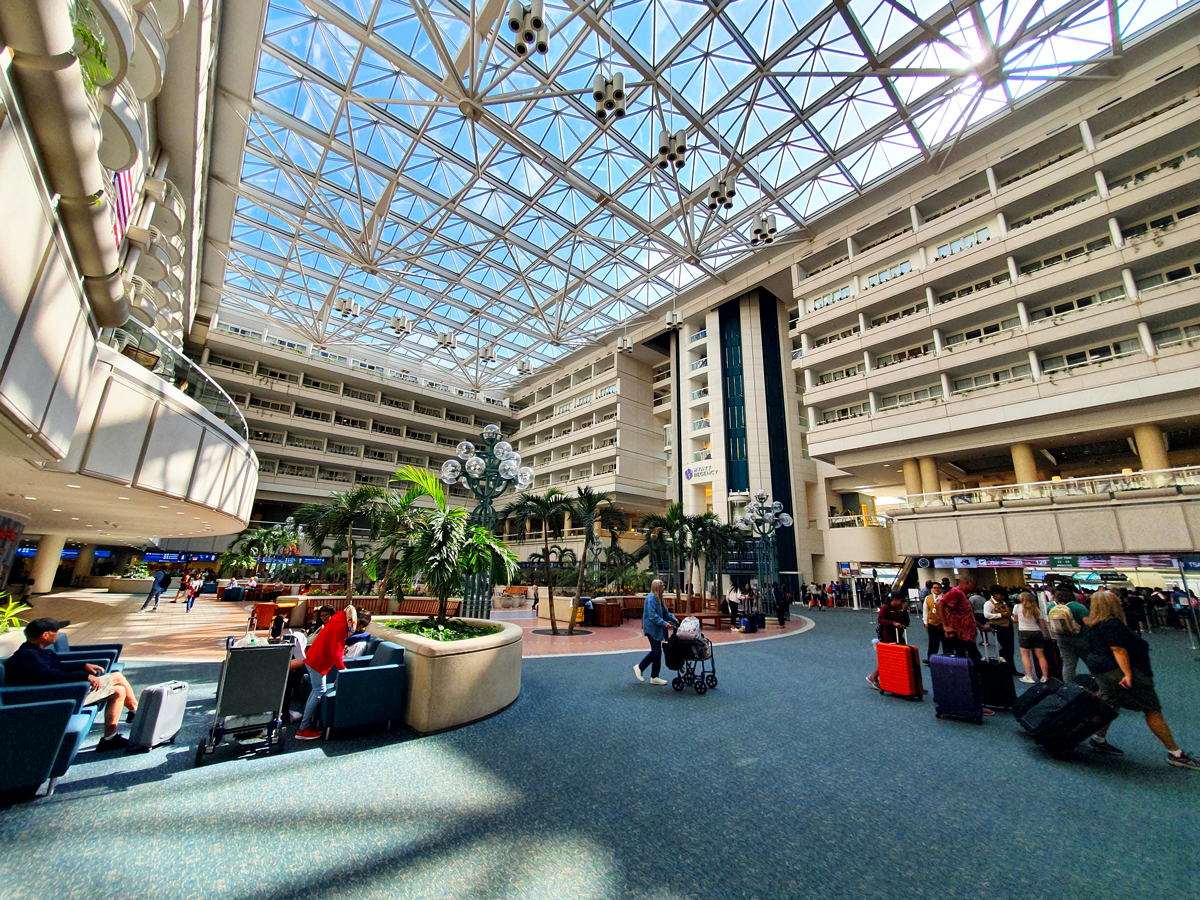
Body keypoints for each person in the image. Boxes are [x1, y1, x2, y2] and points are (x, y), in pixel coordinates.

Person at [1083, 591, 1199, 769]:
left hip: (1101, 670)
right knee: (1151, 708)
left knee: (1110, 704)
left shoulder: (1095, 624)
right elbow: (1118, 650)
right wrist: (1128, 674)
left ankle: (1098, 739)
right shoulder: (1113, 624)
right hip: (1118, 672)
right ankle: (1175, 753)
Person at [4, 618, 139, 750]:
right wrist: (84, 676)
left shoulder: (36, 652)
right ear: (45, 635)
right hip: (53, 697)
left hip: (61, 691)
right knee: (117, 677)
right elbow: (52, 678)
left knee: (118, 691)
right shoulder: (29, 657)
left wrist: (83, 666)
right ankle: (136, 712)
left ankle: (110, 738)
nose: (59, 633)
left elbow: (56, 668)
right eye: (56, 631)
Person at [295, 606, 356, 740]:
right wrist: (343, 671)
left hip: (313, 659)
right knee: (318, 692)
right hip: (318, 662)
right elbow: (336, 651)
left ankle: (306, 724)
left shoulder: (336, 621)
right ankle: (303, 729)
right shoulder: (340, 627)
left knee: (316, 691)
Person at [633, 579, 678, 685]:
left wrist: (673, 619)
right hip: (651, 628)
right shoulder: (651, 598)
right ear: (657, 587)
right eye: (661, 586)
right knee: (656, 651)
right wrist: (664, 623)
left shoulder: (660, 599)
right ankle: (640, 667)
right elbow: (652, 615)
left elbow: (665, 612)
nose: (663, 587)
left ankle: (654, 676)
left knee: (658, 651)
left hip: (658, 628)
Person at [867, 592, 910, 688]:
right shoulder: (886, 608)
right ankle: (874, 677)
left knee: (900, 657)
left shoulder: (899, 609)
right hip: (888, 636)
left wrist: (904, 612)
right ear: (894, 600)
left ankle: (899, 680)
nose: (902, 603)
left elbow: (906, 623)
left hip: (899, 635)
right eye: (901, 601)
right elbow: (880, 620)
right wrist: (893, 623)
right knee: (889, 658)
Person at [1049, 588, 1091, 682]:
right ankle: (1098, 685)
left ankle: (1069, 688)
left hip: (1061, 638)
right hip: (1081, 638)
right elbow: (1088, 623)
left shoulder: (1051, 606)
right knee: (1090, 662)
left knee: (1068, 665)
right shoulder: (1078, 607)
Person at [936, 576, 981, 662]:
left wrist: (980, 626)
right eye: (974, 585)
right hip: (959, 635)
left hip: (967, 635)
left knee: (971, 661)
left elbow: (966, 615)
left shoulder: (964, 595)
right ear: (967, 583)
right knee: (972, 660)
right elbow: (939, 604)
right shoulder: (956, 592)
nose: (976, 587)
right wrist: (945, 626)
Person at [1013, 590, 1050, 684]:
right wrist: (1048, 635)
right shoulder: (1036, 608)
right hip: (1037, 632)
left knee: (1025, 655)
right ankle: (1045, 676)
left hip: (1024, 632)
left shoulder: (1017, 607)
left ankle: (1029, 676)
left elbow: (1015, 620)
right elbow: (1043, 624)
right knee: (1041, 656)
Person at [984, 586, 1017, 674]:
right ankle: (1004, 663)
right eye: (1001, 595)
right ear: (995, 594)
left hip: (1008, 626)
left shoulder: (1003, 603)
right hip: (998, 626)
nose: (1002, 597)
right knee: (1006, 647)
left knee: (1011, 648)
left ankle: (1012, 668)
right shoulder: (989, 603)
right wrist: (1000, 615)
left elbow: (1008, 614)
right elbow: (986, 615)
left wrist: (1012, 619)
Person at [922, 582, 944, 665]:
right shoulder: (928, 598)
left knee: (946, 642)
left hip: (943, 624)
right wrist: (925, 622)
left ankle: (947, 658)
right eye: (934, 588)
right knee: (933, 642)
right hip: (932, 623)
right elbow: (925, 611)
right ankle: (930, 658)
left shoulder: (945, 597)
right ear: (931, 589)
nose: (936, 589)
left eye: (938, 587)